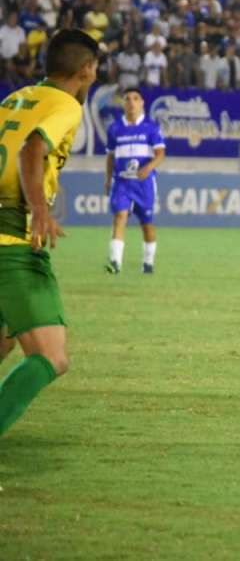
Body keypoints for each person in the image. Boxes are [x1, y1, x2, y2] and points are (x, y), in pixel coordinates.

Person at [0, 29, 100, 438]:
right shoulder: (65, 105)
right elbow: (31, 149)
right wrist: (39, 211)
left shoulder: (15, 98)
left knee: (4, 341)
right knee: (51, 356)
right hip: (14, 241)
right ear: (86, 70)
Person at [104, 89, 166, 274]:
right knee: (120, 217)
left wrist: (148, 168)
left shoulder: (151, 127)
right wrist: (108, 180)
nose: (131, 102)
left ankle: (148, 263)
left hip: (144, 185)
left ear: (142, 103)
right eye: (127, 99)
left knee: (147, 224)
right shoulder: (115, 128)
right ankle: (115, 263)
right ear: (123, 103)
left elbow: (161, 154)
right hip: (122, 182)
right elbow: (110, 157)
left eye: (135, 99)